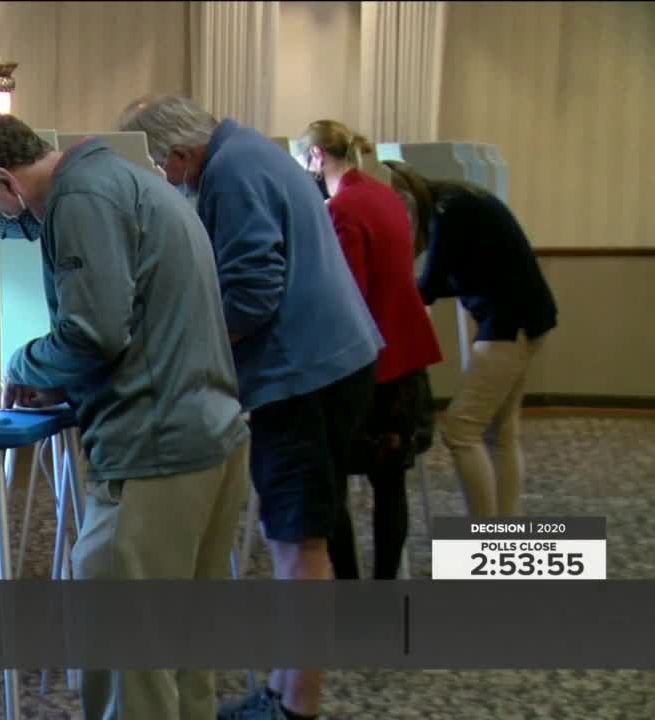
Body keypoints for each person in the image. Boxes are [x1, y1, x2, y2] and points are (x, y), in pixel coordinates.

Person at [0, 112, 250, 720]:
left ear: (0, 178)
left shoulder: (80, 199)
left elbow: (94, 333)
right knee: (183, 662)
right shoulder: (128, 178)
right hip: (208, 437)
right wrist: (64, 386)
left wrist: (22, 364)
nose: (2, 227)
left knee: (127, 669)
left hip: (153, 451)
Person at [120, 95, 383, 720]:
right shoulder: (251, 150)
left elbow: (252, 293)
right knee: (297, 537)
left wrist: (179, 344)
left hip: (303, 373)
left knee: (298, 545)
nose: (162, 181)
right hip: (327, 363)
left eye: (159, 167)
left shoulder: (230, 174)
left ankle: (297, 707)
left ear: (179, 154)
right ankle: (284, 693)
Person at [297, 120, 443, 580]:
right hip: (405, 358)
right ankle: (383, 589)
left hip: (364, 368)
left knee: (332, 480)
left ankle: (350, 588)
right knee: (390, 482)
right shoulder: (386, 197)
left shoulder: (340, 208)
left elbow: (348, 295)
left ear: (317, 157)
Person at [385, 159, 557, 517]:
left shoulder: (448, 212)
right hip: (527, 318)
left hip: (508, 325)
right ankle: (503, 530)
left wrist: (386, 298)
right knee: (501, 433)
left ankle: (483, 536)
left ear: (404, 197)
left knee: (461, 431)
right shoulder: (458, 199)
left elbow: (431, 283)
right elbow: (455, 278)